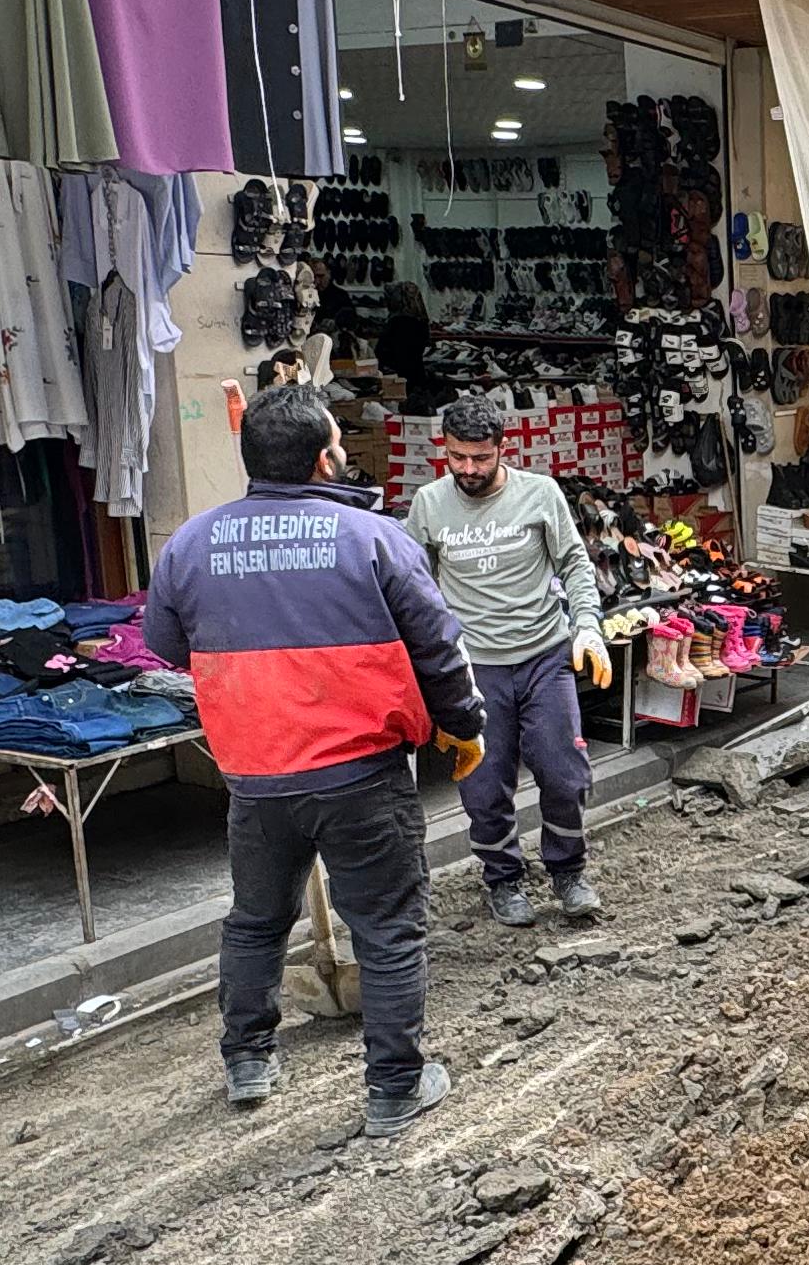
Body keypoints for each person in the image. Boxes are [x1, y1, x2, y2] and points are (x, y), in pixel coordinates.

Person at [140, 384, 484, 1130]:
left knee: (256, 920)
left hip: (255, 777)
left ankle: (248, 1062)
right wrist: (462, 725)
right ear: (326, 458)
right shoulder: (373, 537)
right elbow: (440, 650)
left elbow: (165, 646)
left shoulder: (191, 544)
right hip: (362, 774)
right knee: (388, 930)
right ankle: (395, 1089)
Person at [403, 398, 615, 926]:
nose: (468, 470)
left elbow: (574, 563)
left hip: (545, 655)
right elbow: (413, 586)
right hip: (473, 671)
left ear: (504, 448)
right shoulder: (428, 505)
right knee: (483, 784)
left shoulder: (540, 494)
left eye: (479, 458)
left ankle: (568, 872)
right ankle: (503, 879)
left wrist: (588, 626)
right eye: (457, 458)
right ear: (444, 451)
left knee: (565, 774)